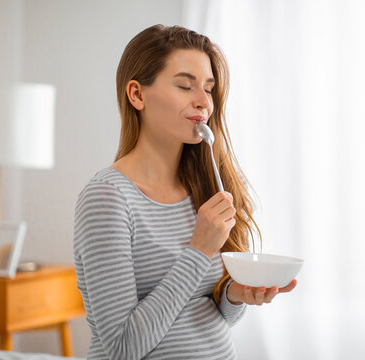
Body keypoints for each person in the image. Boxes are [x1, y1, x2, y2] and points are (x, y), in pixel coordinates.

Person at [73, 24, 297, 360]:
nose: (203, 102)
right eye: (184, 85)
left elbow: (207, 317)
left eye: (208, 88)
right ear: (137, 94)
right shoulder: (107, 198)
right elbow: (122, 348)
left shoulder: (202, 189)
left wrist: (234, 295)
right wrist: (198, 250)